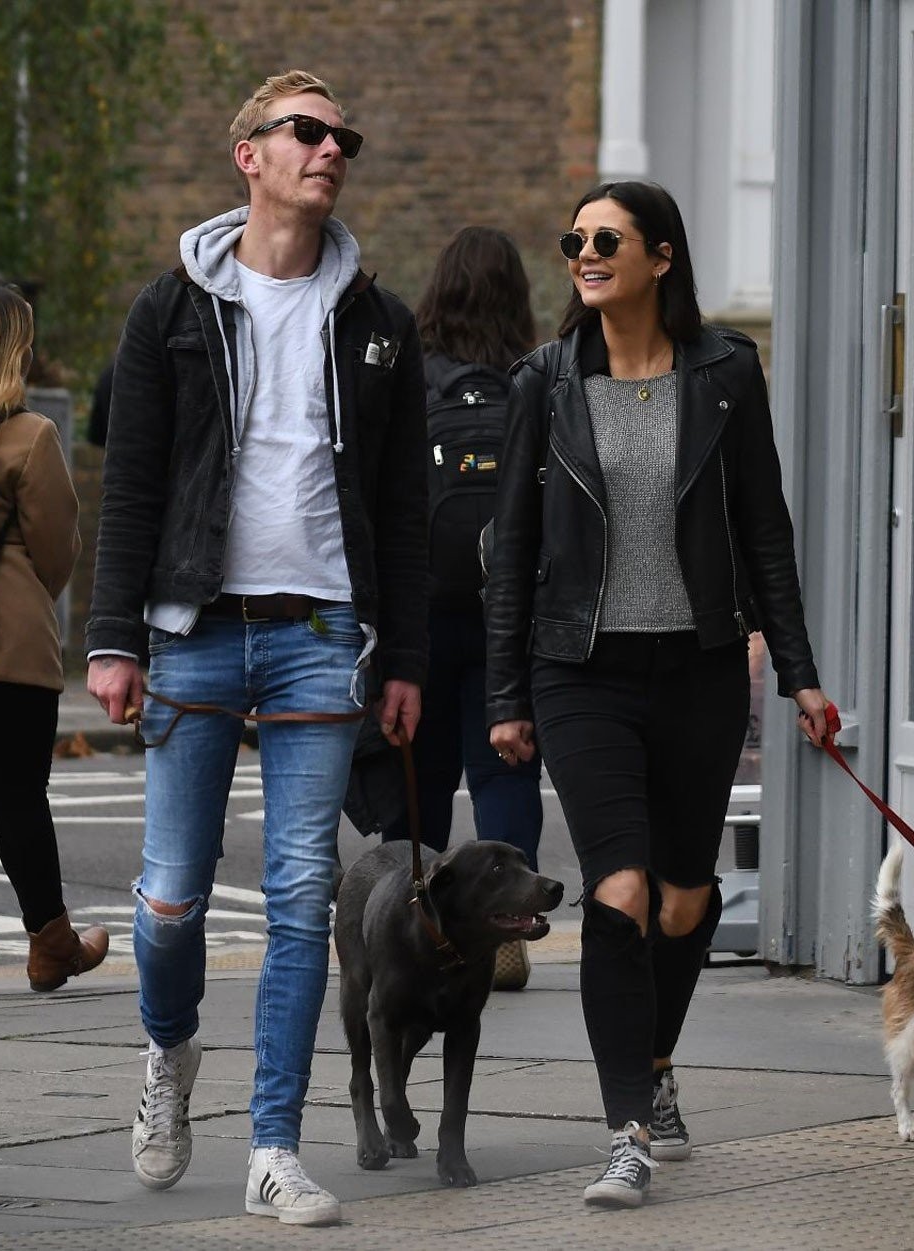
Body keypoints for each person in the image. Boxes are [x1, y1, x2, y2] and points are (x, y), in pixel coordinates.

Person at [85, 71, 427, 1226]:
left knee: (296, 900)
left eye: (345, 135)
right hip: (192, 629)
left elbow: (402, 509)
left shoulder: (377, 321)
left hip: (322, 632)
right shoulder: (172, 308)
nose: (332, 149)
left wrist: (408, 662)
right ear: (251, 157)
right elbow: (131, 483)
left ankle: (274, 1146)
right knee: (173, 898)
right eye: (309, 132)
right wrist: (111, 638)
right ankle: (168, 1052)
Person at [485, 180, 831, 1208]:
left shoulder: (724, 372)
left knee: (683, 902)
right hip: (578, 671)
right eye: (574, 240)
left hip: (698, 668)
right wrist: (507, 690)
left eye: (607, 240)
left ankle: (658, 1065)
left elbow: (763, 528)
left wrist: (801, 674)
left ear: (660, 259)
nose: (584, 254)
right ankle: (625, 1128)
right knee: (620, 893)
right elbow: (513, 552)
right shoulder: (543, 381)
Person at [344, 226, 543, 990]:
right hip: (506, 612)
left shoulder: (412, 378)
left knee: (417, 773)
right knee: (505, 767)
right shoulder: (532, 380)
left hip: (419, 611)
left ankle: (415, 920)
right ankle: (508, 929)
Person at [0, 282, 110, 993]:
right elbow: (58, 550)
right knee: (18, 795)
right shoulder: (30, 435)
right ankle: (49, 943)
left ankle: (54, 941)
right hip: (9, 646)